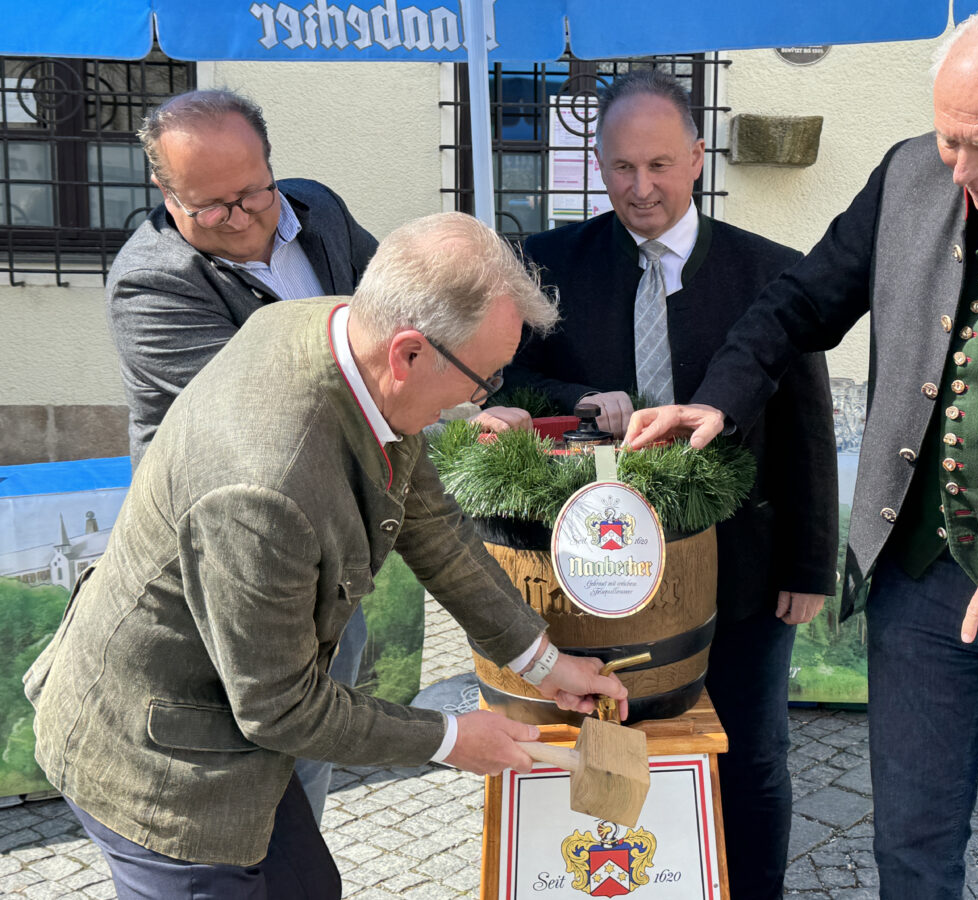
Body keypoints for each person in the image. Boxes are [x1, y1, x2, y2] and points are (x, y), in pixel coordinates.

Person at [625, 3, 978, 898]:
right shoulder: (907, 177)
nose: (963, 172)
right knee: (911, 854)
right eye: (948, 140)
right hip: (919, 587)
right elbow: (797, 303)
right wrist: (719, 400)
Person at [26, 211, 629, 899]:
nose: (479, 401)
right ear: (408, 353)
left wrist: (540, 663)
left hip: (231, 716)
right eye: (484, 379)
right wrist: (450, 737)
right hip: (163, 765)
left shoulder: (346, 333)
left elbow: (431, 523)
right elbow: (279, 708)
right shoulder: (266, 490)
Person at [103, 88, 528, 822]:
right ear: (164, 193)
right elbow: (267, 423)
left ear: (272, 164)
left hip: (332, 533)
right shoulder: (151, 287)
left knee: (311, 754)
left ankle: (291, 838)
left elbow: (400, 328)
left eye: (252, 193)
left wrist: (452, 399)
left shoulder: (320, 212)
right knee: (264, 738)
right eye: (210, 206)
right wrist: (450, 736)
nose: (240, 218)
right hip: (231, 554)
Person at [505, 69, 838, 898]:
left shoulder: (774, 273)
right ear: (598, 162)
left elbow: (806, 429)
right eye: (621, 167)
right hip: (589, 572)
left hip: (746, 571)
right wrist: (574, 403)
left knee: (752, 751)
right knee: (613, 747)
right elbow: (503, 384)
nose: (640, 187)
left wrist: (808, 565)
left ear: (696, 158)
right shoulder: (543, 266)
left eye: (659, 165)